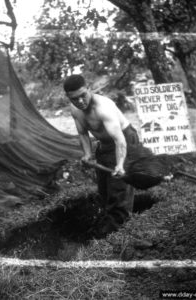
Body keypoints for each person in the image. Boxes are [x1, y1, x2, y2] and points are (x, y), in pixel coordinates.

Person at [63, 74, 140, 236]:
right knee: (104, 187)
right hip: (104, 144)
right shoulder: (75, 109)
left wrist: (120, 165)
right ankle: (107, 221)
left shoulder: (104, 107)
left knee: (119, 186)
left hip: (125, 140)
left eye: (83, 95)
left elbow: (120, 141)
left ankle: (118, 229)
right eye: (74, 99)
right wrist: (88, 154)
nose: (80, 101)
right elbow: (83, 133)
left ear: (89, 89)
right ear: (69, 97)